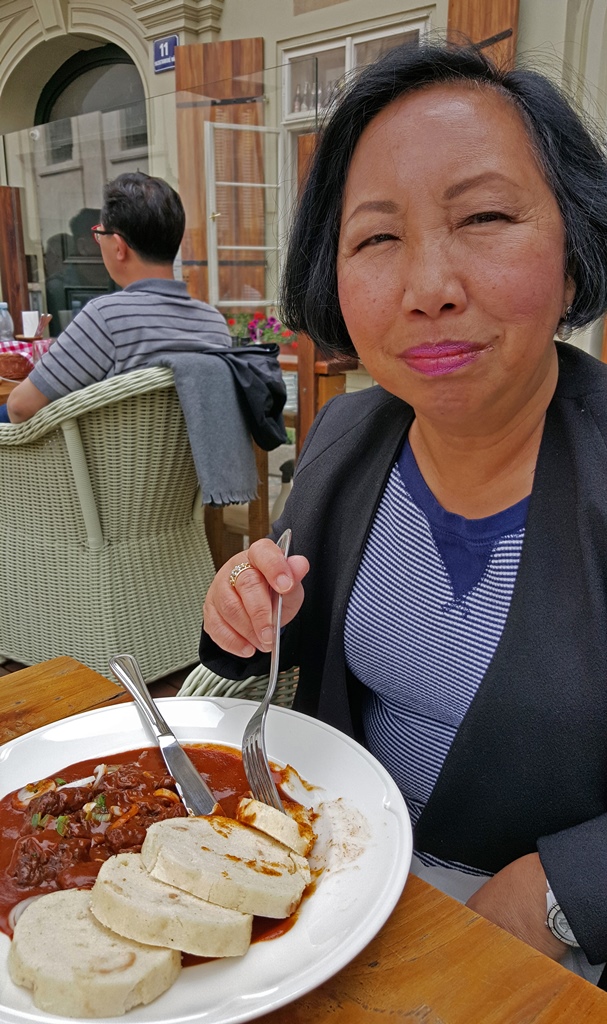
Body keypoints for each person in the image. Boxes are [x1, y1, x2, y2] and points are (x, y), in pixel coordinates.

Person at [199, 41, 607, 984]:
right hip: (339, 902)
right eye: (377, 238)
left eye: (486, 217)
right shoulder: (349, 434)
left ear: (574, 260)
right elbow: (285, 651)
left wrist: (558, 891)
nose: (428, 288)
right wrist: (242, 612)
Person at [2, 172, 231, 423]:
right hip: (184, 461)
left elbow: (20, 407)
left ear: (119, 247)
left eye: (99, 233)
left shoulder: (107, 318)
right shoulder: (213, 322)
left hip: (100, 461)